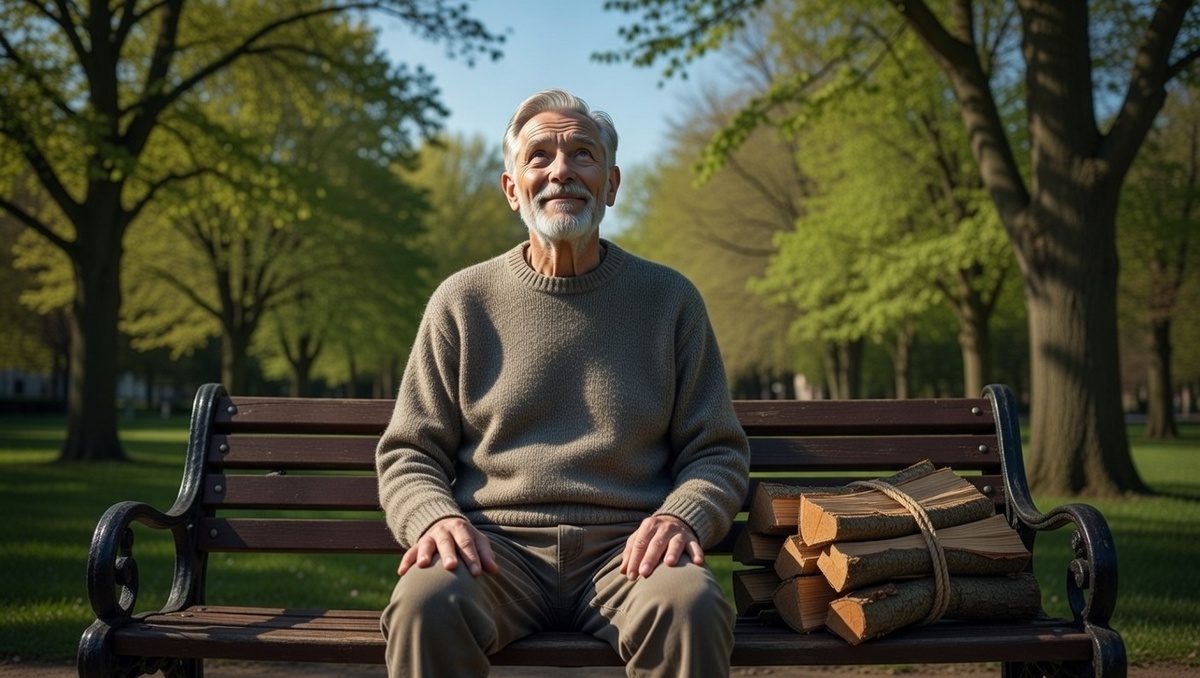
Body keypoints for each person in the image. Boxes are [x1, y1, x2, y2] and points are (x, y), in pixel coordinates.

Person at [376, 88, 751, 677]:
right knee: (425, 605)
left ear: (611, 184)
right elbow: (408, 452)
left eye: (582, 153)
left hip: (631, 553)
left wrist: (682, 516)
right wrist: (434, 518)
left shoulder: (669, 300)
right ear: (512, 189)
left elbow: (717, 451)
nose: (561, 171)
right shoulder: (462, 301)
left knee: (691, 605)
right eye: (539, 157)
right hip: (494, 551)